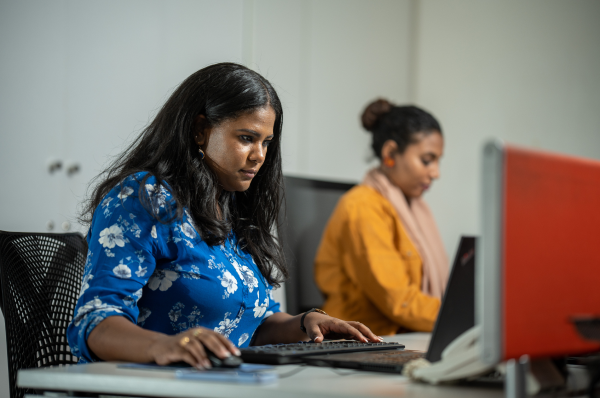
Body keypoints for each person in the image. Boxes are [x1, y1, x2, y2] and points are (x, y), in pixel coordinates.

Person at [67, 63, 381, 369]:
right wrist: (163, 346)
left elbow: (254, 327)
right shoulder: (143, 198)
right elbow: (96, 322)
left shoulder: (233, 207)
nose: (259, 155)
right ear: (201, 130)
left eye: (266, 142)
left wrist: (307, 322)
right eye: (247, 138)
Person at [314, 99, 449, 336]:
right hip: (365, 344)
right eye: (427, 160)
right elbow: (399, 302)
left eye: (438, 161)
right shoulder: (362, 206)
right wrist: (468, 317)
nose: (436, 173)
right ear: (390, 153)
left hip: (409, 337)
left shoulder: (415, 211)